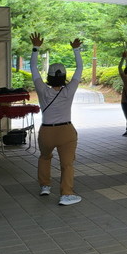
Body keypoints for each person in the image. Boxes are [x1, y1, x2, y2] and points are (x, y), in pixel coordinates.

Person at [30, 32, 83, 206]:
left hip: (46, 130)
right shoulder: (69, 90)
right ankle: (66, 194)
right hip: (66, 131)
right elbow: (79, 69)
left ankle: (45, 186)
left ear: (49, 76)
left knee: (45, 157)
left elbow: (33, 67)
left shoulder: (42, 90)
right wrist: (76, 50)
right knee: (67, 164)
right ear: (64, 76)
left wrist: (36, 47)